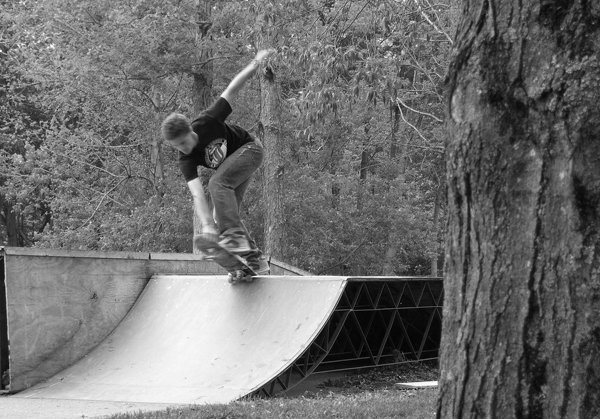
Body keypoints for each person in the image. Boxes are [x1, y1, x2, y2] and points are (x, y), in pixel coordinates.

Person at [161, 49, 275, 275]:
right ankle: (255, 262)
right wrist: (207, 226)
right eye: (178, 147)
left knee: (217, 184)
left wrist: (254, 64)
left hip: (250, 149)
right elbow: (196, 194)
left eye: (184, 143)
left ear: (190, 131)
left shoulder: (208, 120)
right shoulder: (185, 158)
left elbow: (231, 89)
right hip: (235, 169)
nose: (183, 149)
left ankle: (233, 237)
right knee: (220, 215)